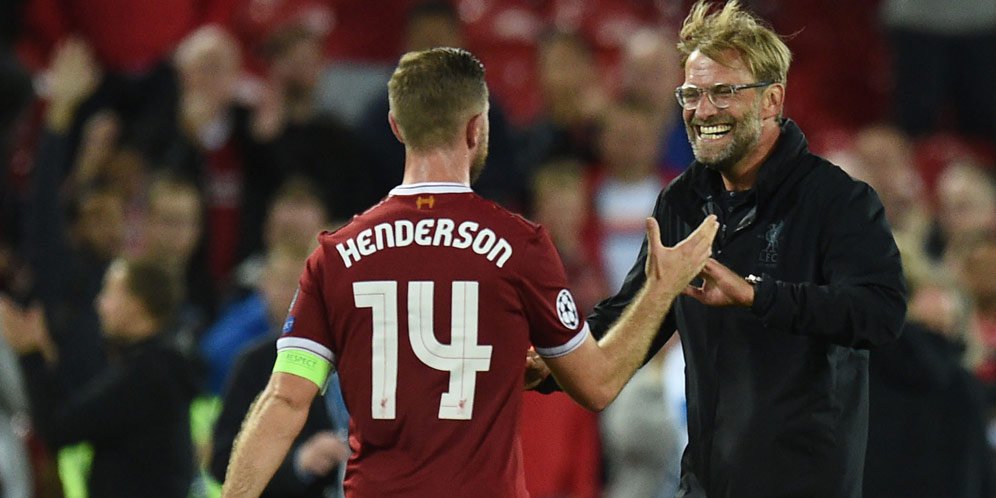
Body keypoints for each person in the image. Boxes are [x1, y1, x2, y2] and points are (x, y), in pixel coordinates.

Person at [219, 47, 718, 497]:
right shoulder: (520, 247)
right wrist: (661, 287)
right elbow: (598, 384)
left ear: (396, 125)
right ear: (477, 128)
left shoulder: (336, 256)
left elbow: (285, 400)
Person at [538, 2, 908, 497]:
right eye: (692, 94)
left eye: (723, 92)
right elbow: (632, 315)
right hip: (705, 486)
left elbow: (880, 313)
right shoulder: (683, 200)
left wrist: (758, 295)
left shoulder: (837, 201)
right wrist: (553, 360)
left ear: (772, 100)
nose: (703, 111)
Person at [0, 258, 198, 498]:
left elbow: (57, 428)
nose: (99, 303)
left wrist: (31, 355)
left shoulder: (146, 375)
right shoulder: (155, 366)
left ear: (136, 304)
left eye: (109, 293)